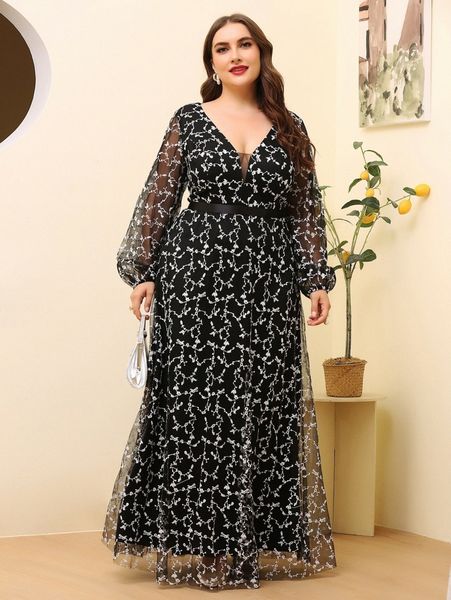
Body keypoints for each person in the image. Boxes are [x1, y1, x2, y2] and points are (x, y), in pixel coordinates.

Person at [101, 12, 337, 591]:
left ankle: (249, 539)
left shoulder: (291, 128)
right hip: (196, 281)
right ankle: (205, 543)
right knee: (198, 405)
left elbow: (304, 210)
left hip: (267, 284)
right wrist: (144, 272)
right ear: (211, 62)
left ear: (261, 52)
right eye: (223, 48)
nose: (235, 55)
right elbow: (159, 197)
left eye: (244, 44)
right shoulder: (189, 120)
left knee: (263, 403)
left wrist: (316, 278)